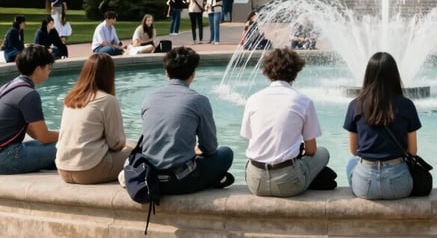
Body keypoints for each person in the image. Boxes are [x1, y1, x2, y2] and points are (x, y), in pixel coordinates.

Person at [139, 46, 233, 194]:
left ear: (166, 73)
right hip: (181, 180)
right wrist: (195, 151)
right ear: (193, 74)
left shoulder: (149, 98)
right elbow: (210, 147)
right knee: (226, 153)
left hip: (150, 177)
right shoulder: (198, 101)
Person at [241, 47, 331, 196]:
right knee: (323, 153)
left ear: (267, 72)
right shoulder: (303, 101)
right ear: (295, 74)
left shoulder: (253, 99)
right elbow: (311, 150)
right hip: (287, 181)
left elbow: (248, 136)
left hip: (255, 181)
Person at [343, 52, 421, 200]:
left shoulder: (355, 105)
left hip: (365, 186)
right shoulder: (406, 105)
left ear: (368, 75)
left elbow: (354, 151)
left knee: (351, 162)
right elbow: (412, 150)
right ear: (394, 75)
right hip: (398, 185)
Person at [56, 54, 132, 183]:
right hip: (89, 169)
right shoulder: (107, 100)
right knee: (137, 151)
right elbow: (116, 143)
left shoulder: (71, 98)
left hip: (62, 168)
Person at [0, 45, 58, 173]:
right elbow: (44, 137)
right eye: (49, 67)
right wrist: (69, 134)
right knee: (69, 147)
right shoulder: (28, 94)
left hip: (5, 151)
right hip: (6, 156)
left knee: (54, 147)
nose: (50, 71)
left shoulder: (9, 86)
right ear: (38, 69)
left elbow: (33, 132)